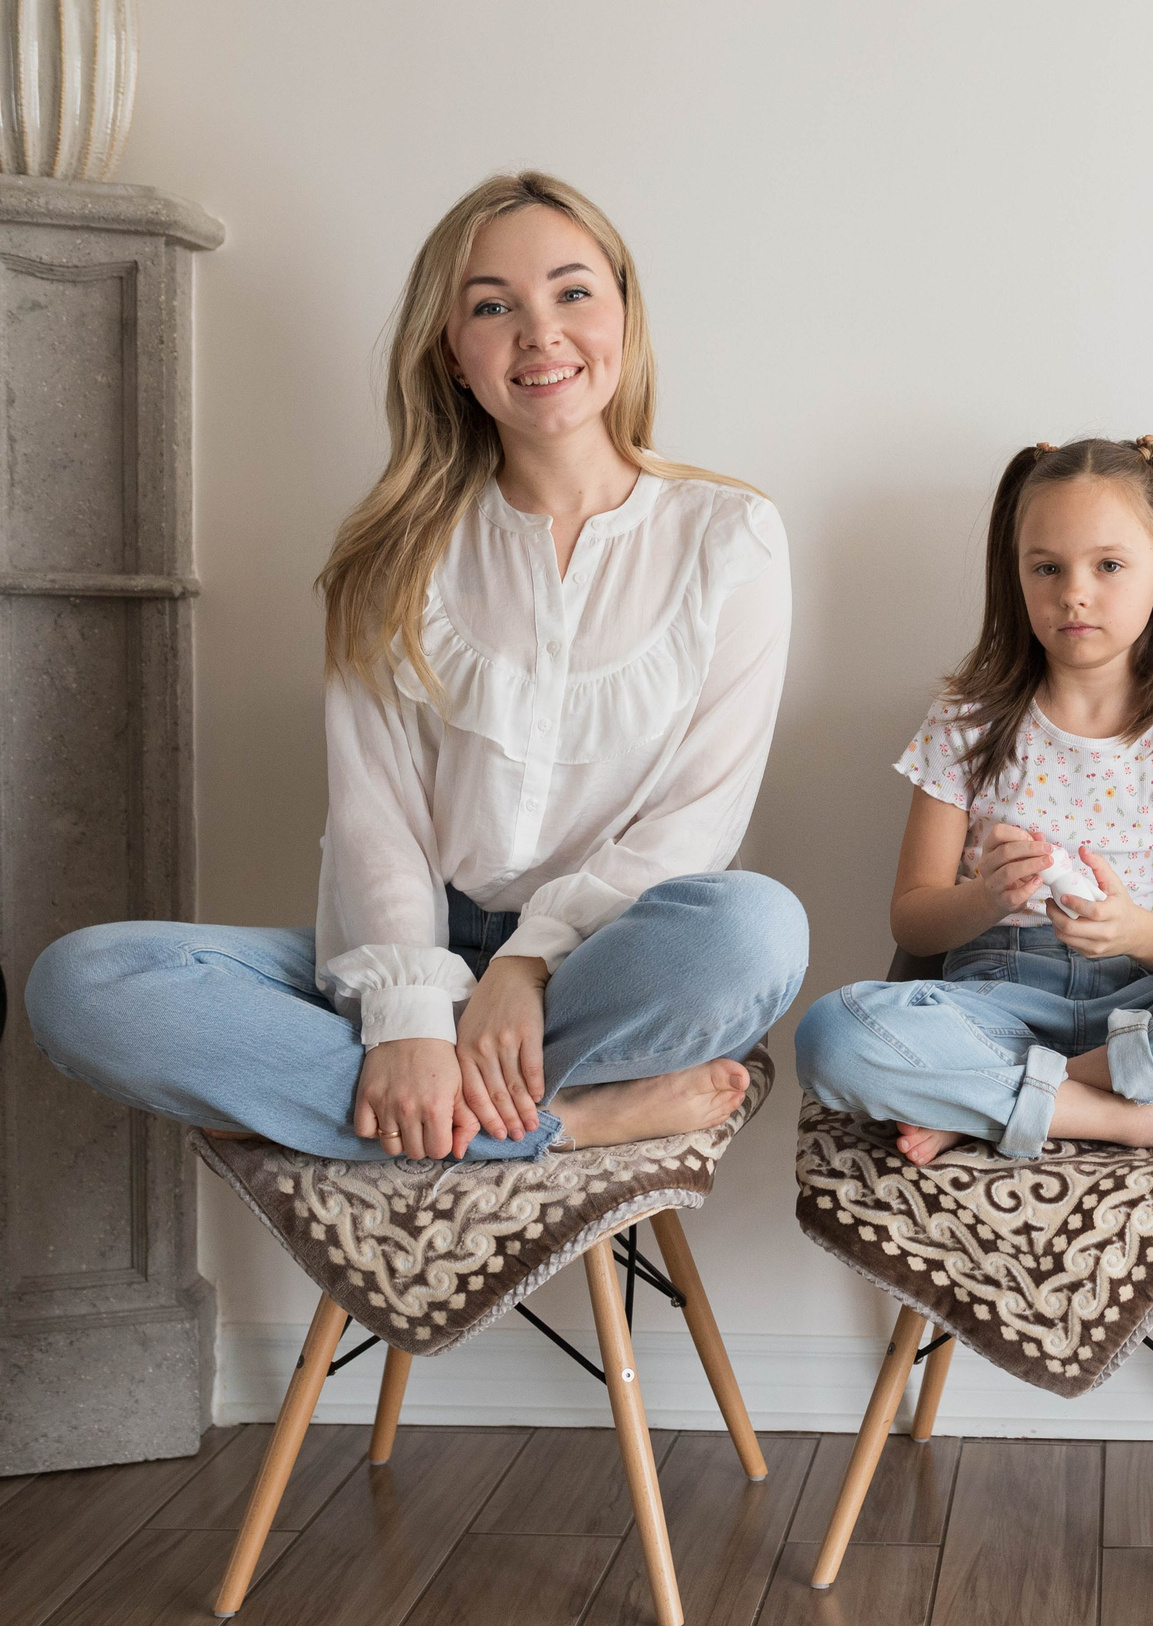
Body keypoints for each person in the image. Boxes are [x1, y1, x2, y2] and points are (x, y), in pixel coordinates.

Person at [28, 171, 806, 1162]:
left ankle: (357, 1105)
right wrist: (409, 1019)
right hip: (412, 946)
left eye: (572, 292)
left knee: (754, 929)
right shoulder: (391, 551)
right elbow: (374, 817)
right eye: (494, 307)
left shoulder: (731, 535)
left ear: (623, 312)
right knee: (82, 982)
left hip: (610, 967)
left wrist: (526, 968)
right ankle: (566, 1123)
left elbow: (700, 816)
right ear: (452, 354)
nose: (541, 333)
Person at [796, 436, 1153, 1164]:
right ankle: (1145, 1117)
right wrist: (986, 897)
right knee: (831, 1033)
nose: (1075, 591)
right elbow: (913, 916)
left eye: (1109, 566)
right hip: (995, 1005)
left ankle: (1021, 1101)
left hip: (1143, 1004)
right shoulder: (964, 722)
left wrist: (1135, 931)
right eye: (1047, 567)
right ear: (1017, 576)